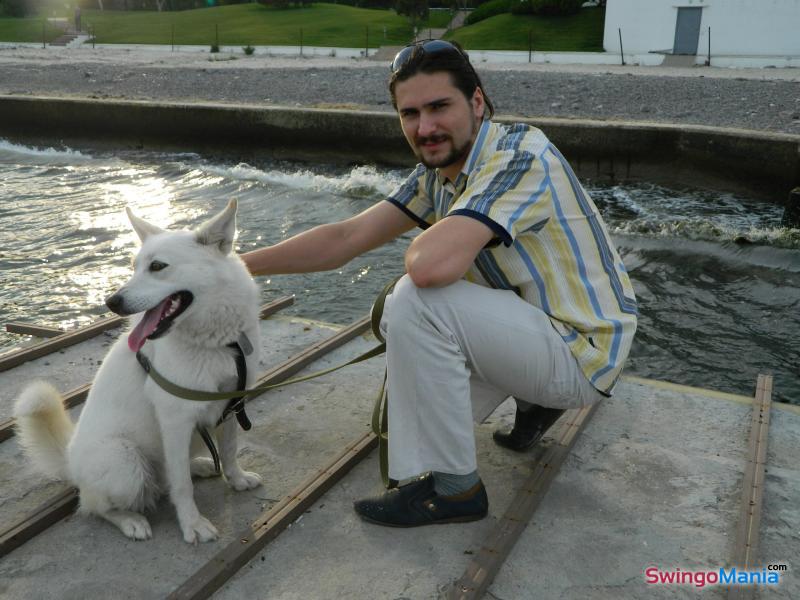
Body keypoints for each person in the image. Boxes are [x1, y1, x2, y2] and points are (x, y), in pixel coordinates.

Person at [241, 40, 637, 528]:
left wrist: (420, 247)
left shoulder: (519, 156)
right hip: (536, 333)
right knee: (397, 417)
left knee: (413, 299)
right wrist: (236, 266)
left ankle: (457, 492)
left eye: (438, 107)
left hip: (583, 352)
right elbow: (344, 238)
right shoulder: (441, 174)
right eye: (410, 114)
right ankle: (534, 403)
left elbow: (429, 269)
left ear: (476, 102)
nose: (425, 128)